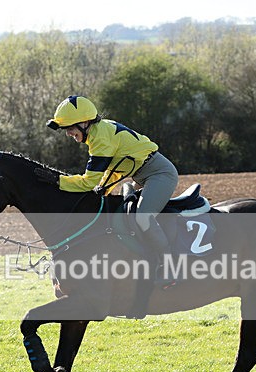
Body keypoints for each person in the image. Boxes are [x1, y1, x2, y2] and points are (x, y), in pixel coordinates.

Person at [46, 95, 179, 286]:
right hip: (139, 176)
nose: (67, 133)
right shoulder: (98, 132)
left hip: (159, 174)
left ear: (84, 122)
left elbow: (88, 182)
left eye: (69, 128)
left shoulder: (100, 138)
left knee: (142, 217)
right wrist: (102, 192)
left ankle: (170, 266)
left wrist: (57, 181)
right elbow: (114, 170)